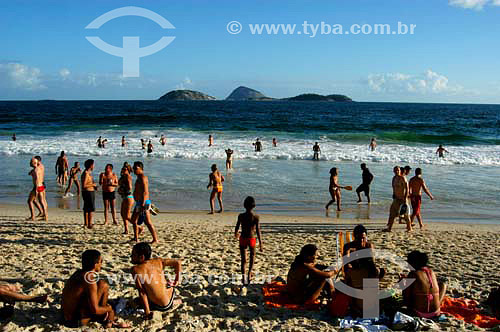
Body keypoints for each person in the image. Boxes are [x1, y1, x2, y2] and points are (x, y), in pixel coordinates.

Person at [62, 250, 127, 328]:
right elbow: (95, 310)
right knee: (104, 287)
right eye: (100, 261)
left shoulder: (78, 273)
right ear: (95, 264)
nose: (101, 263)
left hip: (63, 316)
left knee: (102, 284)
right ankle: (106, 317)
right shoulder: (89, 280)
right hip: (75, 320)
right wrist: (109, 309)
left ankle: (105, 314)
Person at [130, 243, 182, 320]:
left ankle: (173, 302)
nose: (131, 256)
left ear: (141, 257)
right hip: (169, 300)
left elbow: (142, 292)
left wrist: (147, 312)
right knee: (164, 282)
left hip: (158, 306)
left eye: (133, 254)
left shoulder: (136, 269)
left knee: (135, 301)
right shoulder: (158, 261)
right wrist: (177, 280)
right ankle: (177, 301)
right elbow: (178, 262)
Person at [343, 225, 385, 316]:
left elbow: (372, 262)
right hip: (353, 271)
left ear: (366, 237)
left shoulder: (369, 245)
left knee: (378, 271)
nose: (361, 240)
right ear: (354, 237)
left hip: (366, 269)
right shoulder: (348, 246)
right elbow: (346, 265)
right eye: (359, 238)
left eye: (363, 238)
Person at [402, 250, 446, 318]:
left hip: (419, 313)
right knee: (443, 285)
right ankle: (437, 304)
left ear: (413, 263)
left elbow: (406, 300)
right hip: (436, 312)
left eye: (408, 262)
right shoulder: (431, 271)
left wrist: (402, 284)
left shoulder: (413, 274)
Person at [234, 196, 263, 285]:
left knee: (243, 259)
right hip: (251, 238)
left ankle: (243, 276)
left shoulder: (241, 216)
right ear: (253, 206)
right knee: (252, 256)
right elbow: (258, 230)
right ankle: (249, 273)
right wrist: (261, 243)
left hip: (243, 238)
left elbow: (237, 226)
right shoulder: (256, 217)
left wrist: (236, 233)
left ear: (244, 205)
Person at [130, 161, 159, 243]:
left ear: (141, 168)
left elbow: (145, 191)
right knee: (134, 220)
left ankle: (155, 239)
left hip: (143, 203)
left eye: (136, 168)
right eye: (134, 168)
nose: (134, 170)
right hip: (139, 202)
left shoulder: (143, 177)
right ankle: (136, 237)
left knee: (147, 222)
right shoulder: (139, 177)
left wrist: (143, 204)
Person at [384, 166, 412, 232]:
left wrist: (405, 198)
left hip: (403, 199)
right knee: (392, 213)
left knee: (406, 215)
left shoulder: (403, 178)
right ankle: (389, 228)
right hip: (396, 199)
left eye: (398, 170)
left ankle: (409, 228)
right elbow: (394, 187)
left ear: (400, 171)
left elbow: (407, 188)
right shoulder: (394, 178)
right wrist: (394, 194)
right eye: (395, 170)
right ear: (393, 171)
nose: (397, 171)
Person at [27, 157, 48, 221]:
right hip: (42, 186)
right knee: (42, 201)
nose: (29, 163)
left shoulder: (35, 170)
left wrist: (35, 190)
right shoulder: (40, 168)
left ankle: (32, 216)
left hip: (37, 187)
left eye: (31, 162)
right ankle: (45, 216)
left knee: (30, 201)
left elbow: (36, 180)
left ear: (34, 163)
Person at [118, 163, 134, 235]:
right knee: (122, 214)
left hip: (128, 197)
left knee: (127, 215)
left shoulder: (128, 176)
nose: (123, 170)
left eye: (125, 169)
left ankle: (137, 226)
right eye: (123, 169)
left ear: (128, 170)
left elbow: (130, 187)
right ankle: (126, 229)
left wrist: (122, 189)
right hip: (124, 197)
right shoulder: (123, 176)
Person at [81, 159, 97, 229]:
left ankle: (86, 223)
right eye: (93, 164)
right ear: (91, 165)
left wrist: (93, 186)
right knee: (90, 209)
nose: (94, 166)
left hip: (88, 191)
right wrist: (93, 185)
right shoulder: (86, 173)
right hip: (88, 192)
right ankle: (89, 223)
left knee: (87, 208)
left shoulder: (87, 173)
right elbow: (84, 185)